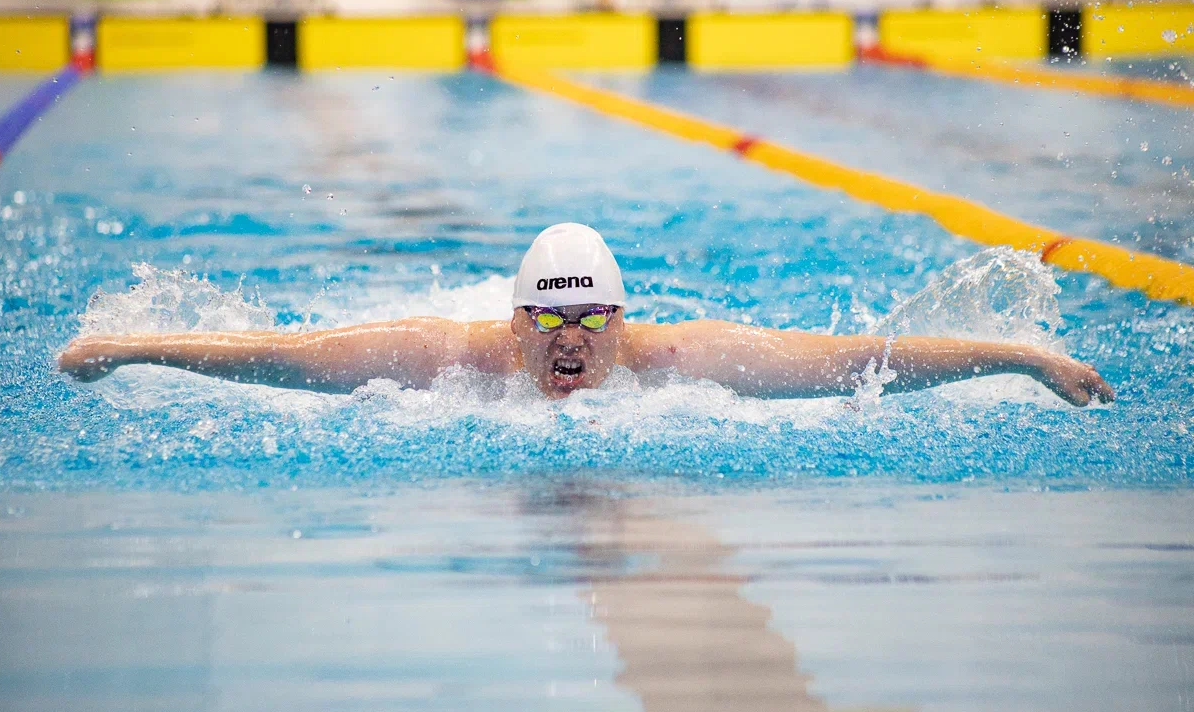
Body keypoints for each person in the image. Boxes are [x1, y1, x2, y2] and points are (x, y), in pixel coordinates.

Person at [58, 223, 1114, 406]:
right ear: (514, 324)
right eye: (549, 327)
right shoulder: (444, 356)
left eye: (591, 324)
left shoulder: (684, 359)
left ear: (623, 317)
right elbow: (279, 358)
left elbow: (858, 360)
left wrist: (1019, 357)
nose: (571, 346)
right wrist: (130, 346)